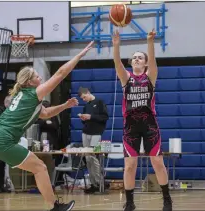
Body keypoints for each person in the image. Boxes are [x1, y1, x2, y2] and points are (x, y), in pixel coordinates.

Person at [0, 41, 94, 211]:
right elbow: (60, 73)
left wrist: (64, 106)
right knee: (40, 167)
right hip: (2, 138)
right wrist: (79, 55)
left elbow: (45, 114)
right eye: (37, 76)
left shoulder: (24, 96)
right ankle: (55, 207)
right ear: (30, 82)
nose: (40, 77)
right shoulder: (34, 93)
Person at [112, 30, 172, 211]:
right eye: (134, 58)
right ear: (131, 63)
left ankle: (167, 199)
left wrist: (150, 42)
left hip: (149, 125)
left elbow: (153, 60)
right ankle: (130, 202)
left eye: (140, 58)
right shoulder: (126, 79)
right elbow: (117, 64)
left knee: (158, 163)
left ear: (145, 63)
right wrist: (116, 46)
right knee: (130, 166)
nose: (136, 59)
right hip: (130, 127)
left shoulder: (150, 77)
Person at [77, 87, 109, 194]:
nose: (84, 100)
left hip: (96, 133)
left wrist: (91, 117)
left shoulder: (100, 102)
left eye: (84, 97)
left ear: (88, 93)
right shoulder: (86, 106)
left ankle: (100, 182)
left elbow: (104, 117)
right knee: (88, 158)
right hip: (86, 132)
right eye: (82, 98)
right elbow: (87, 121)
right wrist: (84, 119)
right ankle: (93, 183)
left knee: (93, 156)